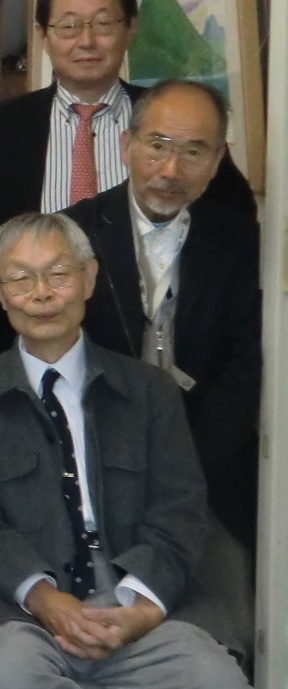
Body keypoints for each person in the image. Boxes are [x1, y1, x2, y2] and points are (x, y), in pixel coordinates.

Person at [0, 212, 253, 689]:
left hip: (141, 607)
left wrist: (139, 607)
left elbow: (180, 511)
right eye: (21, 279)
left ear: (88, 278)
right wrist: (46, 600)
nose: (41, 294)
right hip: (18, 612)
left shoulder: (150, 391)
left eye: (58, 274)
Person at [62, 80, 260, 641]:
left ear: (218, 159)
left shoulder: (241, 243)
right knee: (93, 623)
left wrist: (188, 466)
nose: (171, 170)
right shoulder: (72, 231)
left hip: (207, 467)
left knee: (221, 627)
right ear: (127, 144)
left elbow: (245, 367)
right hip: (91, 467)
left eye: (194, 151)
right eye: (158, 146)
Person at [0, 0, 253, 226]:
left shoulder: (179, 119)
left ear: (130, 29)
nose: (86, 41)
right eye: (69, 26)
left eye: (103, 24)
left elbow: (234, 219)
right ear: (43, 35)